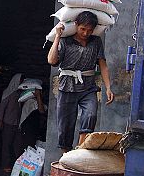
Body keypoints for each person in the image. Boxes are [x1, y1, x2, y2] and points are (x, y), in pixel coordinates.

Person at [47, 11, 114, 153]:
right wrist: (58, 36)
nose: (85, 33)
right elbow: (52, 61)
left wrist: (108, 87)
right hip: (67, 86)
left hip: (88, 87)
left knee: (91, 115)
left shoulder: (96, 42)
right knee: (65, 125)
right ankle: (66, 157)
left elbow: (102, 64)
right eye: (83, 29)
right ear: (76, 25)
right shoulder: (66, 40)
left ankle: (80, 150)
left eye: (89, 30)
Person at [0, 73, 23, 172]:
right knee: (6, 144)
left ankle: (16, 164)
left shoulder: (20, 94)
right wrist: (0, 120)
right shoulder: (8, 93)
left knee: (17, 144)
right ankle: (6, 165)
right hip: (7, 122)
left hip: (17, 123)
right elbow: (2, 108)